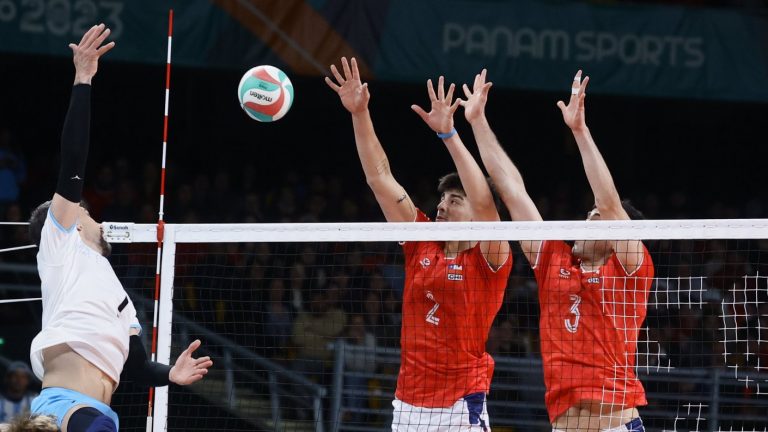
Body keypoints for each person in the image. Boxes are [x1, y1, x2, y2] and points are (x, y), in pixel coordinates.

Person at [26, 24, 213, 432]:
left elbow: (137, 366)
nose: (92, 215)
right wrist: (83, 78)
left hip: (98, 414)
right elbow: (72, 162)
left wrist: (171, 375)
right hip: (67, 409)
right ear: (70, 224)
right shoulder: (61, 249)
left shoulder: (119, 296)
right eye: (84, 210)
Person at [326, 57, 512, 431]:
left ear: (473, 213)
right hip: (408, 404)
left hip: (462, 404)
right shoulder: (420, 239)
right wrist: (359, 113)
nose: (442, 206)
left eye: (454, 201)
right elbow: (380, 178)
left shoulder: (491, 256)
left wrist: (449, 134)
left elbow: (487, 203)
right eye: (441, 200)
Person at [466, 69, 653, 431]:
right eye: (587, 214)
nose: (586, 219)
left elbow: (611, 204)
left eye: (594, 217)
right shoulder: (553, 259)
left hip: (617, 424)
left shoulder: (631, 272)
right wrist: (478, 122)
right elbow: (512, 189)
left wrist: (580, 132)